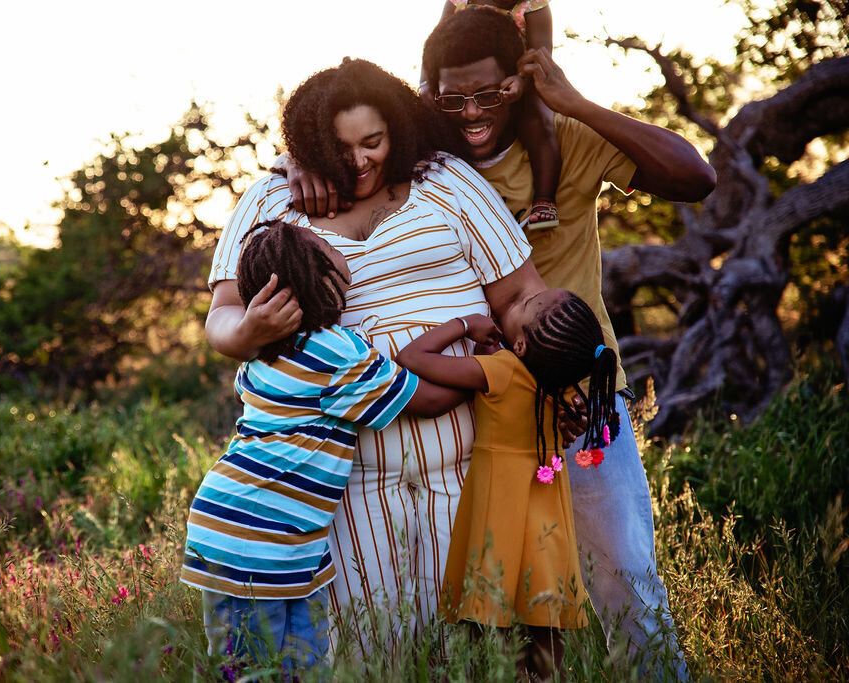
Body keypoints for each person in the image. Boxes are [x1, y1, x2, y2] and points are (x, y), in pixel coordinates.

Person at [288, 7, 716, 678]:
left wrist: (570, 99)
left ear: (521, 79)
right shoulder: (428, 155)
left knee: (622, 569)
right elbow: (350, 131)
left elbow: (695, 178)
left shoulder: (567, 139)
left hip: (576, 388)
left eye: (489, 93)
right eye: (450, 97)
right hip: (487, 406)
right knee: (506, 598)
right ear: (424, 92)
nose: (471, 112)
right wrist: (298, 156)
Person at [204, 58, 545, 651]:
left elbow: (520, 295)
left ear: (397, 131)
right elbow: (222, 319)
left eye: (373, 142)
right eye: (339, 147)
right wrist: (251, 329)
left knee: (472, 651)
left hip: (467, 473)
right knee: (371, 652)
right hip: (341, 494)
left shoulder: (447, 181)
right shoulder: (271, 199)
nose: (359, 161)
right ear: (308, 144)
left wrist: (541, 371)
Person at [181, 219, 470, 672]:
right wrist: (489, 371)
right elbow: (429, 400)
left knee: (287, 667)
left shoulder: (269, 351)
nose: (337, 247)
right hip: (261, 538)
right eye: (323, 246)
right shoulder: (333, 352)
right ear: (314, 278)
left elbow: (390, 370)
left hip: (253, 530)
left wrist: (459, 324)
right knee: (269, 670)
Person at [395, 289, 621, 679]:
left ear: (519, 343)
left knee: (498, 642)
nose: (516, 304)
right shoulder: (565, 388)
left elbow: (410, 358)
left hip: (500, 519)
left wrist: (463, 325)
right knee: (546, 649)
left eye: (522, 307)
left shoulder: (500, 371)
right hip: (549, 528)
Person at [437, 0, 562, 229]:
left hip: (521, 79)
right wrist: (427, 85)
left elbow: (541, 55)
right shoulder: (457, 2)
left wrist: (521, 81)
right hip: (462, 84)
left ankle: (544, 199)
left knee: (540, 122)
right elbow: (436, 44)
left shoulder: (534, 7)